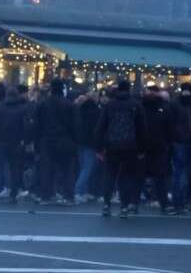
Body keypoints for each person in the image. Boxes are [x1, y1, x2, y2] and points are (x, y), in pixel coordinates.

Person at [94, 80, 145, 218]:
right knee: (126, 177)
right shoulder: (135, 105)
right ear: (129, 89)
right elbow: (141, 129)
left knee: (109, 175)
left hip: (112, 145)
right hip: (130, 146)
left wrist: (99, 147)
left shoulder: (109, 104)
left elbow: (100, 127)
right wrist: (141, 149)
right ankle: (124, 206)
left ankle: (106, 204)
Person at [33, 79, 77, 204]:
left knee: (47, 169)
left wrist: (36, 143)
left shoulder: (43, 104)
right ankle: (68, 195)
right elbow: (74, 125)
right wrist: (74, 141)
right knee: (67, 169)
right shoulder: (69, 104)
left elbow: (37, 125)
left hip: (47, 139)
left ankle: (46, 195)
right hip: (65, 139)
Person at [139, 83, 175, 214]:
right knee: (159, 177)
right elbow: (170, 129)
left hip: (147, 146)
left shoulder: (141, 108)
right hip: (157, 146)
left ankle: (132, 203)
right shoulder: (164, 109)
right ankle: (163, 203)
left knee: (141, 176)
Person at [171, 83, 191, 212]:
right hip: (184, 141)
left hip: (181, 140)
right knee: (183, 171)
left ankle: (179, 201)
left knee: (180, 171)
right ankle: (181, 201)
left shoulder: (176, 104)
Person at [74, 89, 102, 202]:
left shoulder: (79, 109)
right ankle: (78, 191)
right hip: (90, 143)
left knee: (83, 167)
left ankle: (83, 191)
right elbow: (97, 130)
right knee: (88, 168)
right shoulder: (96, 112)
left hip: (80, 142)